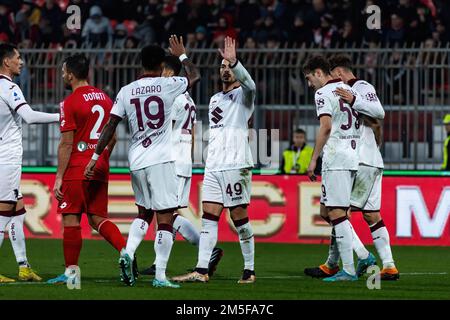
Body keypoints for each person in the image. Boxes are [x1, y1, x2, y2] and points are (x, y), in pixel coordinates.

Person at [84, 36, 200, 289]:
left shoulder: (126, 90)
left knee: (143, 213)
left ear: (140, 64)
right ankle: (160, 276)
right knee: (165, 218)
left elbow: (110, 125)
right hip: (161, 159)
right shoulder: (167, 85)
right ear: (160, 64)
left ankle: (128, 252)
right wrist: (182, 55)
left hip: (136, 160)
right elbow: (194, 76)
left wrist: (95, 156)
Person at [125, 55, 224, 277]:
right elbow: (194, 132)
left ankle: (206, 251)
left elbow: (162, 129)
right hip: (183, 159)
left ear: (169, 73)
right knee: (167, 211)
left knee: (164, 212)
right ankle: (166, 260)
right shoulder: (188, 98)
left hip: (169, 158)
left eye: (163, 71)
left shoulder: (174, 99)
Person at [172, 36, 256, 284]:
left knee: (240, 221)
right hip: (214, 167)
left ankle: (249, 271)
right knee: (208, 220)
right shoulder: (214, 99)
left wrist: (236, 61)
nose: (225, 70)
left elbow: (250, 84)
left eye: (229, 67)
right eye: (222, 66)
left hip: (236, 165)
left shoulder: (244, 95)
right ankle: (201, 270)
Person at [47, 54, 127, 285]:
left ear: (70, 74)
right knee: (97, 218)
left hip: (76, 167)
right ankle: (125, 251)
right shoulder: (105, 98)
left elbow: (66, 143)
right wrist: (100, 159)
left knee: (71, 220)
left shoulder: (69, 103)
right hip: (99, 165)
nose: (62, 75)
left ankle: (71, 273)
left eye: (63, 72)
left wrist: (59, 177)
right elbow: (112, 138)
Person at [329, 55, 399, 280]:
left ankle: (358, 258)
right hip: (369, 160)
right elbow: (374, 123)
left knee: (338, 212)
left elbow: (379, 112)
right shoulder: (347, 92)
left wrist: (353, 99)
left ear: (339, 72)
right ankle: (389, 265)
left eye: (333, 75)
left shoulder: (361, 86)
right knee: (371, 215)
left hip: (362, 161)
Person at [0, 43, 59, 283]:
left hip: (2, 156)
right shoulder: (9, 87)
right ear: (6, 62)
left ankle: (24, 267)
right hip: (7, 158)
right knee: (3, 216)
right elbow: (30, 117)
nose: (22, 62)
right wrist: (63, 116)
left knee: (17, 214)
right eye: (18, 57)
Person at [303, 55, 360, 282]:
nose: (309, 84)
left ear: (318, 73)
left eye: (309, 78)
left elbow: (325, 127)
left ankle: (350, 268)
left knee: (336, 214)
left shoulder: (323, 93)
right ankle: (337, 263)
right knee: (329, 212)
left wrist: (313, 159)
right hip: (353, 155)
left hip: (336, 158)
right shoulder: (347, 89)